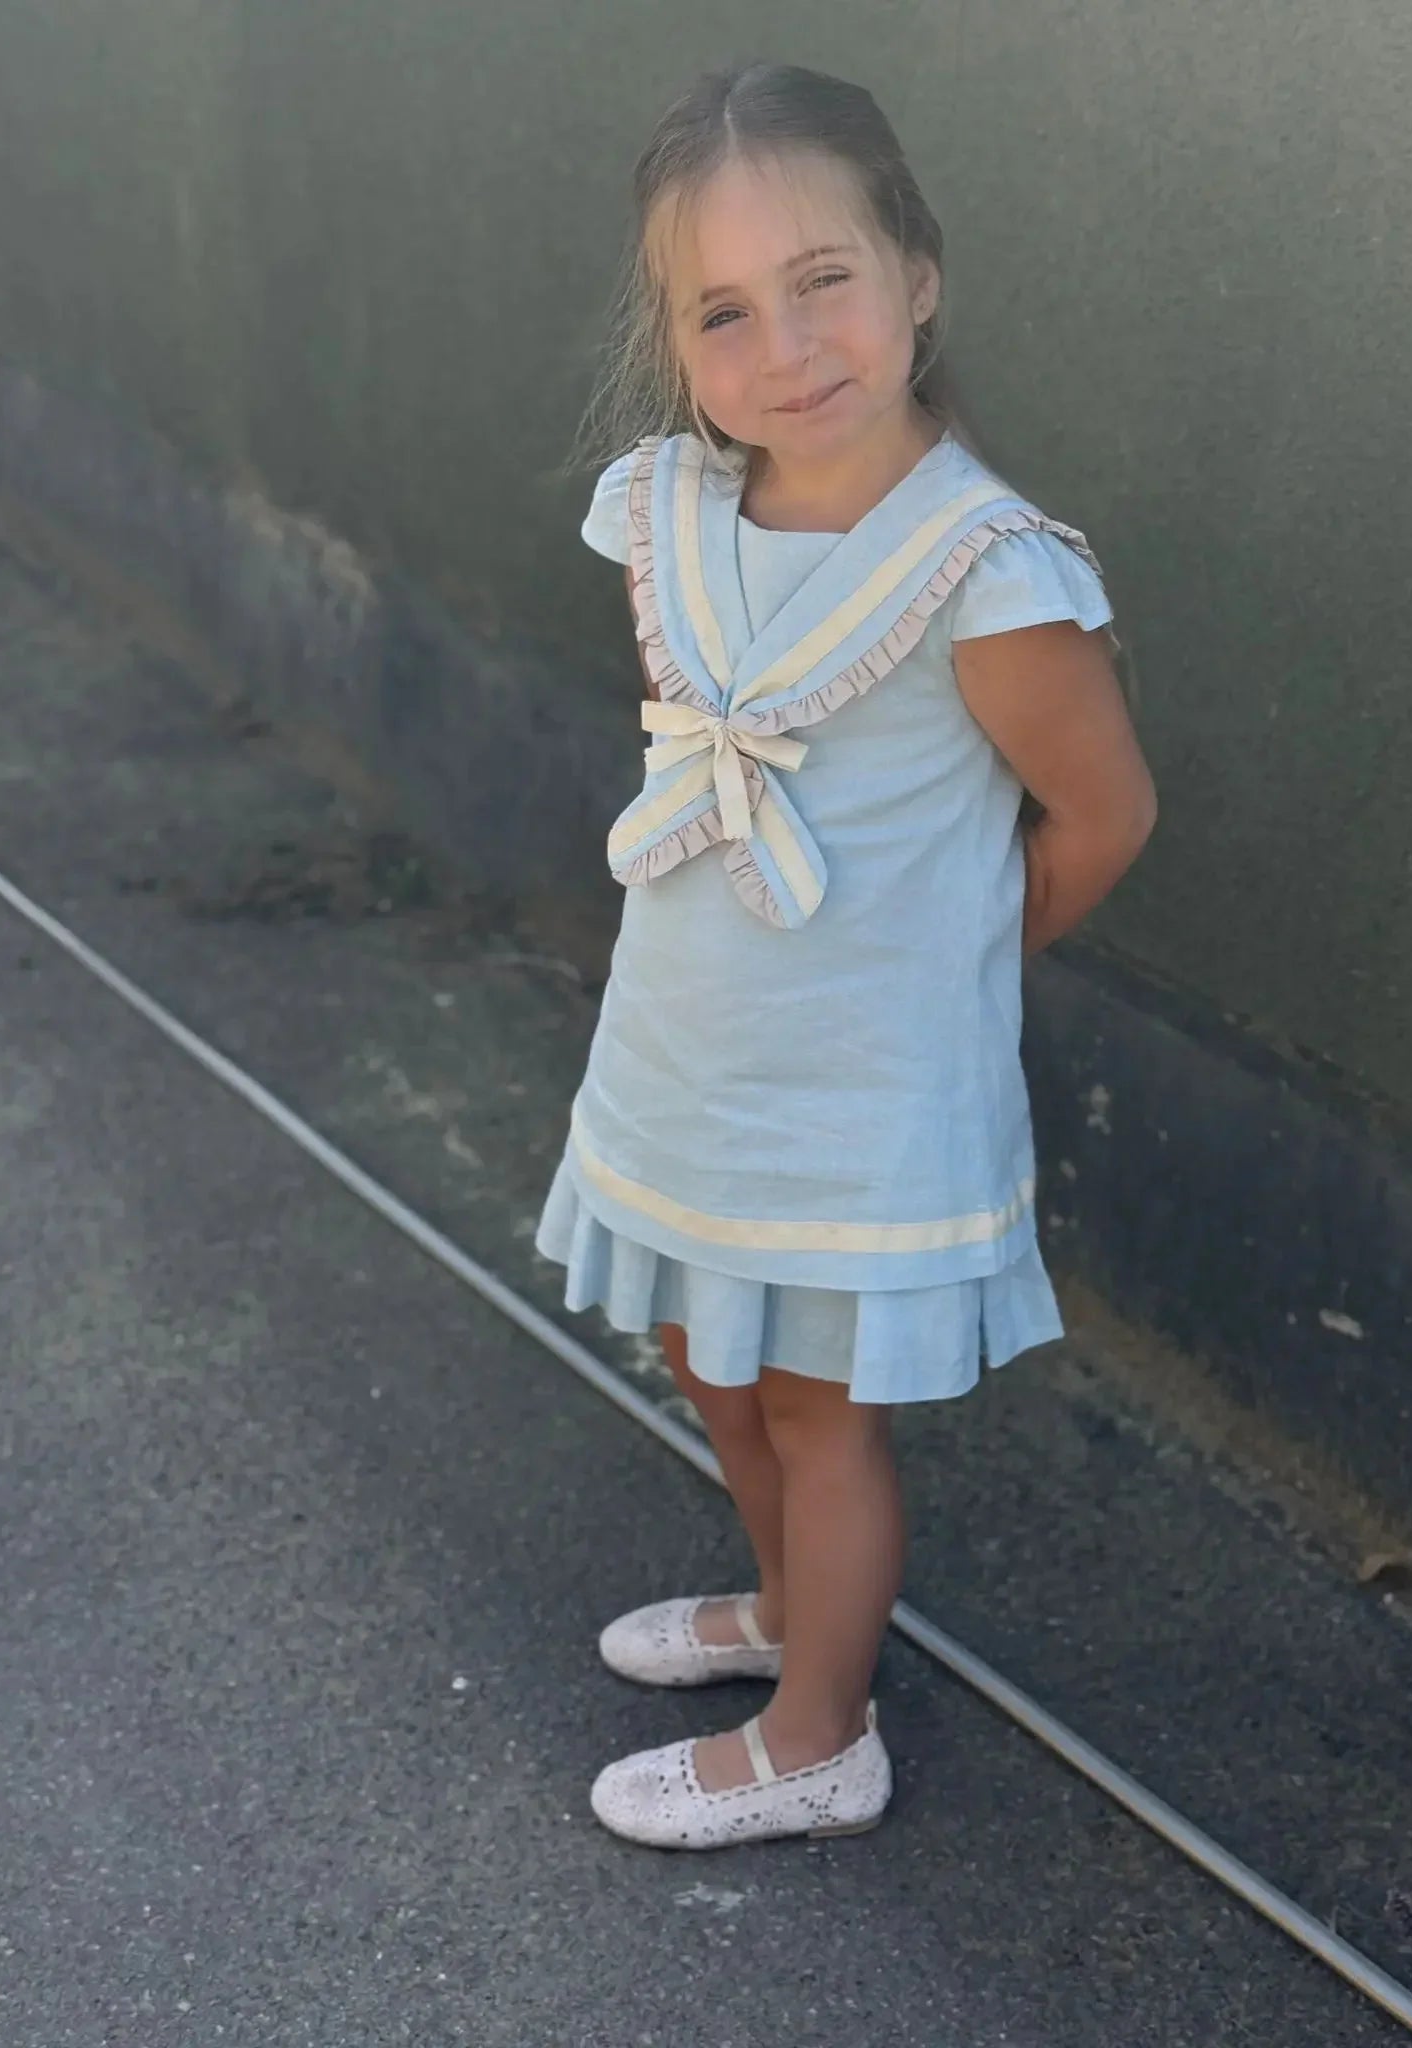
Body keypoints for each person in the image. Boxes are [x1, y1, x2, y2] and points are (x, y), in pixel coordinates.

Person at [536, 60, 1156, 1851]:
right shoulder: (670, 516)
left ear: (917, 273)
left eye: (825, 280)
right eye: (724, 309)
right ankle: (791, 1609)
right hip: (689, 1059)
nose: (787, 346)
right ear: (674, 339)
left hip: (854, 1101)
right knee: (708, 1361)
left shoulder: (984, 572)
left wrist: (941, 981)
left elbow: (1101, 817)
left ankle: (820, 1735)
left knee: (819, 1411)